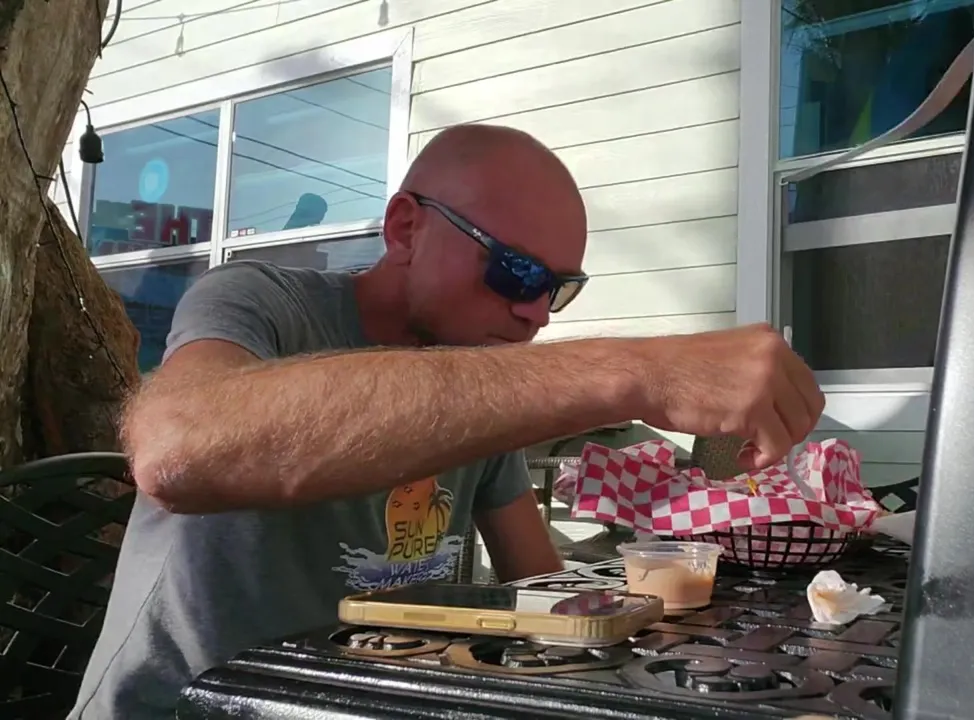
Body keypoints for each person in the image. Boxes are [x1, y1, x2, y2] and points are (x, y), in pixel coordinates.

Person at [68, 123, 824, 719]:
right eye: (516, 272)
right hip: (184, 705)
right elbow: (177, 448)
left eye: (557, 289)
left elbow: (542, 590)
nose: (535, 313)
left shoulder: (476, 379)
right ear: (404, 229)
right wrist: (631, 371)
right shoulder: (261, 302)